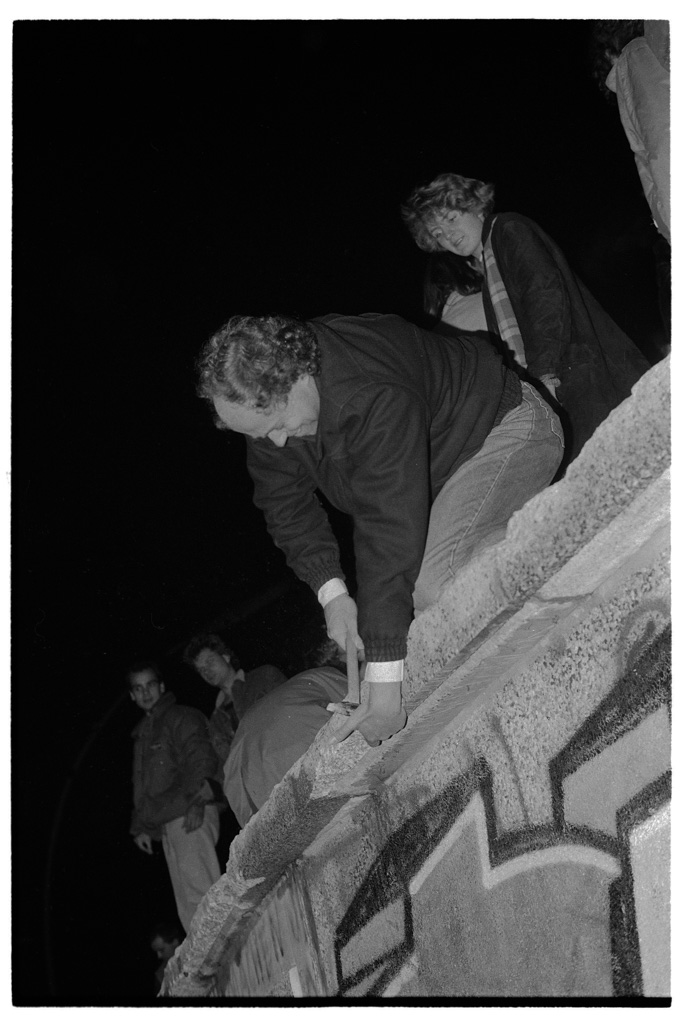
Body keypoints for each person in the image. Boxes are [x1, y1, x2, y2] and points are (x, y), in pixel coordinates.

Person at [194, 309, 564, 746]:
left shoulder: (368, 389)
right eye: (258, 437)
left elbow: (387, 528)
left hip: (506, 428)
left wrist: (385, 679)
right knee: (420, 599)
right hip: (438, 477)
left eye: (275, 427)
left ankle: (571, 558)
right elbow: (284, 504)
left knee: (435, 581)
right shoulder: (266, 407)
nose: (275, 443)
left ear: (296, 376)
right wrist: (332, 595)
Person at [401, 173, 651, 465]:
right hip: (564, 379)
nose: (447, 234)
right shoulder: (489, 269)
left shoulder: (508, 229)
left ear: (474, 206)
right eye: (437, 232)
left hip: (576, 372)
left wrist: (543, 374)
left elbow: (544, 295)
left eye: (451, 219)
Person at [128, 659, 222, 933]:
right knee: (188, 906)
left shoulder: (180, 716)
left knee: (202, 895)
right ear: (132, 695)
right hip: (169, 822)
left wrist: (199, 801)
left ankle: (224, 956)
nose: (146, 693)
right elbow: (146, 787)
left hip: (190, 814)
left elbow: (202, 759)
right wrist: (141, 827)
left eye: (150, 685)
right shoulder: (143, 733)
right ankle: (205, 967)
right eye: (138, 688)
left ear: (162, 686)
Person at [222, 640, 349, 826]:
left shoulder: (298, 685)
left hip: (269, 794)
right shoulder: (324, 675)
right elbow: (364, 706)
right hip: (308, 760)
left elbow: (231, 781)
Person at [183, 632, 286, 766]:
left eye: (209, 662)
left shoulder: (264, 677)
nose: (207, 671)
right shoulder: (216, 721)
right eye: (201, 670)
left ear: (225, 656)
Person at [148, 921, 183, 993]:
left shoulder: (198, 956)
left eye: (161, 950)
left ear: (175, 942)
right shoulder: (160, 976)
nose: (159, 956)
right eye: (156, 952)